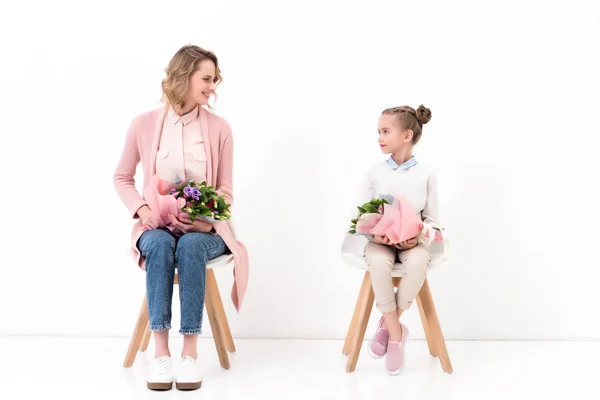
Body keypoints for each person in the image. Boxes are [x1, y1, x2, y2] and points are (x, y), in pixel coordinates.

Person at [113, 45, 248, 391]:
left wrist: (206, 218)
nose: (212, 86)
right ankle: (161, 353)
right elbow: (122, 178)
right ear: (184, 76)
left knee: (189, 246)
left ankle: (189, 353)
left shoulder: (220, 129)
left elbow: (226, 190)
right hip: (155, 224)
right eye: (206, 78)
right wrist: (144, 211)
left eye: (215, 79)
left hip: (205, 230)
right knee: (157, 243)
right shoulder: (143, 124)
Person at [357, 105, 439, 375]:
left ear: (407, 135)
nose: (379, 137)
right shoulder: (375, 172)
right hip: (379, 242)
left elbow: (434, 221)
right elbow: (361, 214)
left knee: (417, 265)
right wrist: (374, 233)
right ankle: (395, 334)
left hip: (412, 243)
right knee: (379, 266)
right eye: (378, 131)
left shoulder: (426, 173)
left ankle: (386, 325)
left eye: (385, 131)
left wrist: (418, 238)